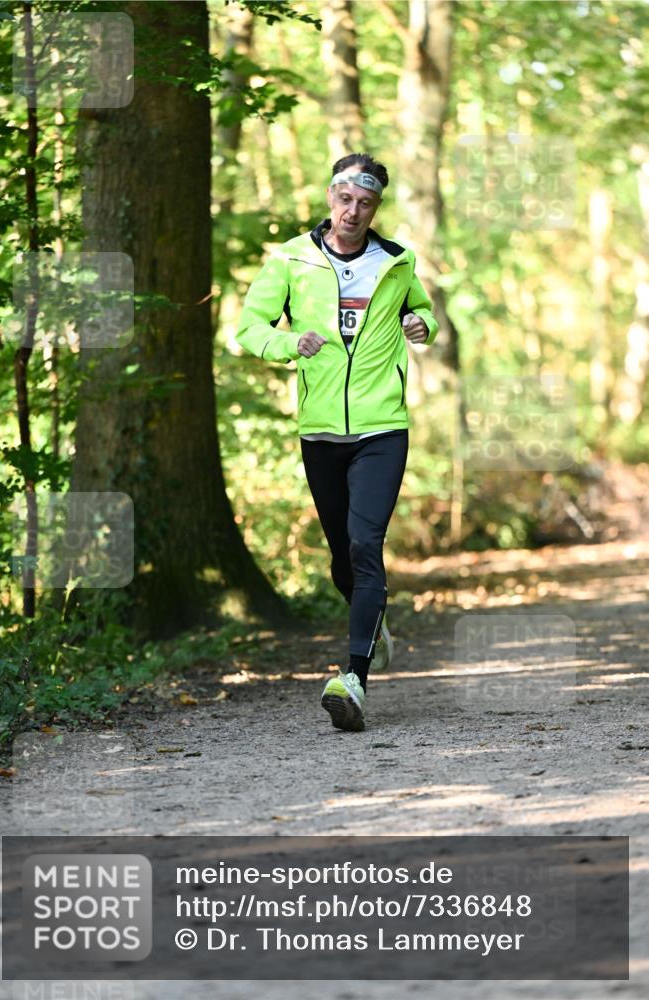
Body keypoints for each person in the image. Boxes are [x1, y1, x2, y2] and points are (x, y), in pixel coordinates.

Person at [236, 153, 438, 732]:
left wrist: (423, 326)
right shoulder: (292, 260)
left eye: (366, 203)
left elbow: (422, 313)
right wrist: (287, 344)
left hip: (382, 427)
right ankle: (373, 621)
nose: (354, 211)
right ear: (331, 197)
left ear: (376, 207)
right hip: (320, 431)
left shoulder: (395, 262)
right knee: (341, 561)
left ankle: (352, 679)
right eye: (346, 199)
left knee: (362, 543)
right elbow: (249, 328)